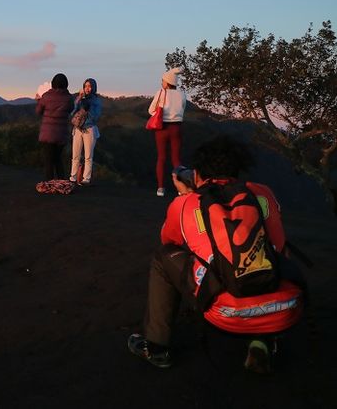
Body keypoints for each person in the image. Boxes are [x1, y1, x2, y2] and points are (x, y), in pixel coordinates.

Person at [128, 135, 306, 373]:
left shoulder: (188, 202)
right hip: (286, 307)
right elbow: (279, 243)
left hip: (227, 313)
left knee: (163, 257)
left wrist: (185, 198)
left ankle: (157, 347)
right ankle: (262, 340)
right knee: (271, 251)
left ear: (198, 173)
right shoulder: (263, 194)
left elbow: (169, 241)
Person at [149, 67, 186, 196]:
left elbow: (151, 110)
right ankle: (181, 189)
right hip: (176, 128)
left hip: (162, 128)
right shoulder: (181, 94)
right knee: (176, 159)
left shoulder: (161, 93)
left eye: (163, 80)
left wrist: (158, 115)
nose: (162, 83)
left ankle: (160, 188)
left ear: (167, 81)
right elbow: (182, 109)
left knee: (161, 158)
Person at [36, 73, 74, 180]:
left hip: (47, 134)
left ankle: (49, 184)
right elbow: (71, 109)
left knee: (48, 161)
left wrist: (39, 101)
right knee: (58, 159)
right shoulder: (69, 98)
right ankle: (61, 183)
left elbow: (38, 111)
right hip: (61, 134)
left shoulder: (46, 96)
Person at [69, 78, 102, 186]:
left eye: (90, 86)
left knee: (88, 156)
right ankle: (72, 177)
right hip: (78, 129)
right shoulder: (79, 99)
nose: (87, 88)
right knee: (75, 155)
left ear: (93, 88)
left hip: (89, 129)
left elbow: (96, 116)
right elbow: (72, 112)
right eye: (86, 86)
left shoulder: (96, 101)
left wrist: (88, 107)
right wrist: (78, 100)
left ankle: (86, 178)